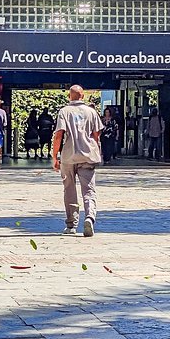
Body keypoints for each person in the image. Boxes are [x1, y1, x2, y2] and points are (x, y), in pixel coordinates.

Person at [51, 85, 103, 237]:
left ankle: (71, 224)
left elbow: (59, 135)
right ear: (83, 96)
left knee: (69, 189)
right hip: (87, 155)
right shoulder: (91, 112)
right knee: (89, 189)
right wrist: (96, 150)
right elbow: (96, 135)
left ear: (69, 96)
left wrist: (55, 156)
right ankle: (90, 217)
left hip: (69, 156)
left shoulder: (64, 111)